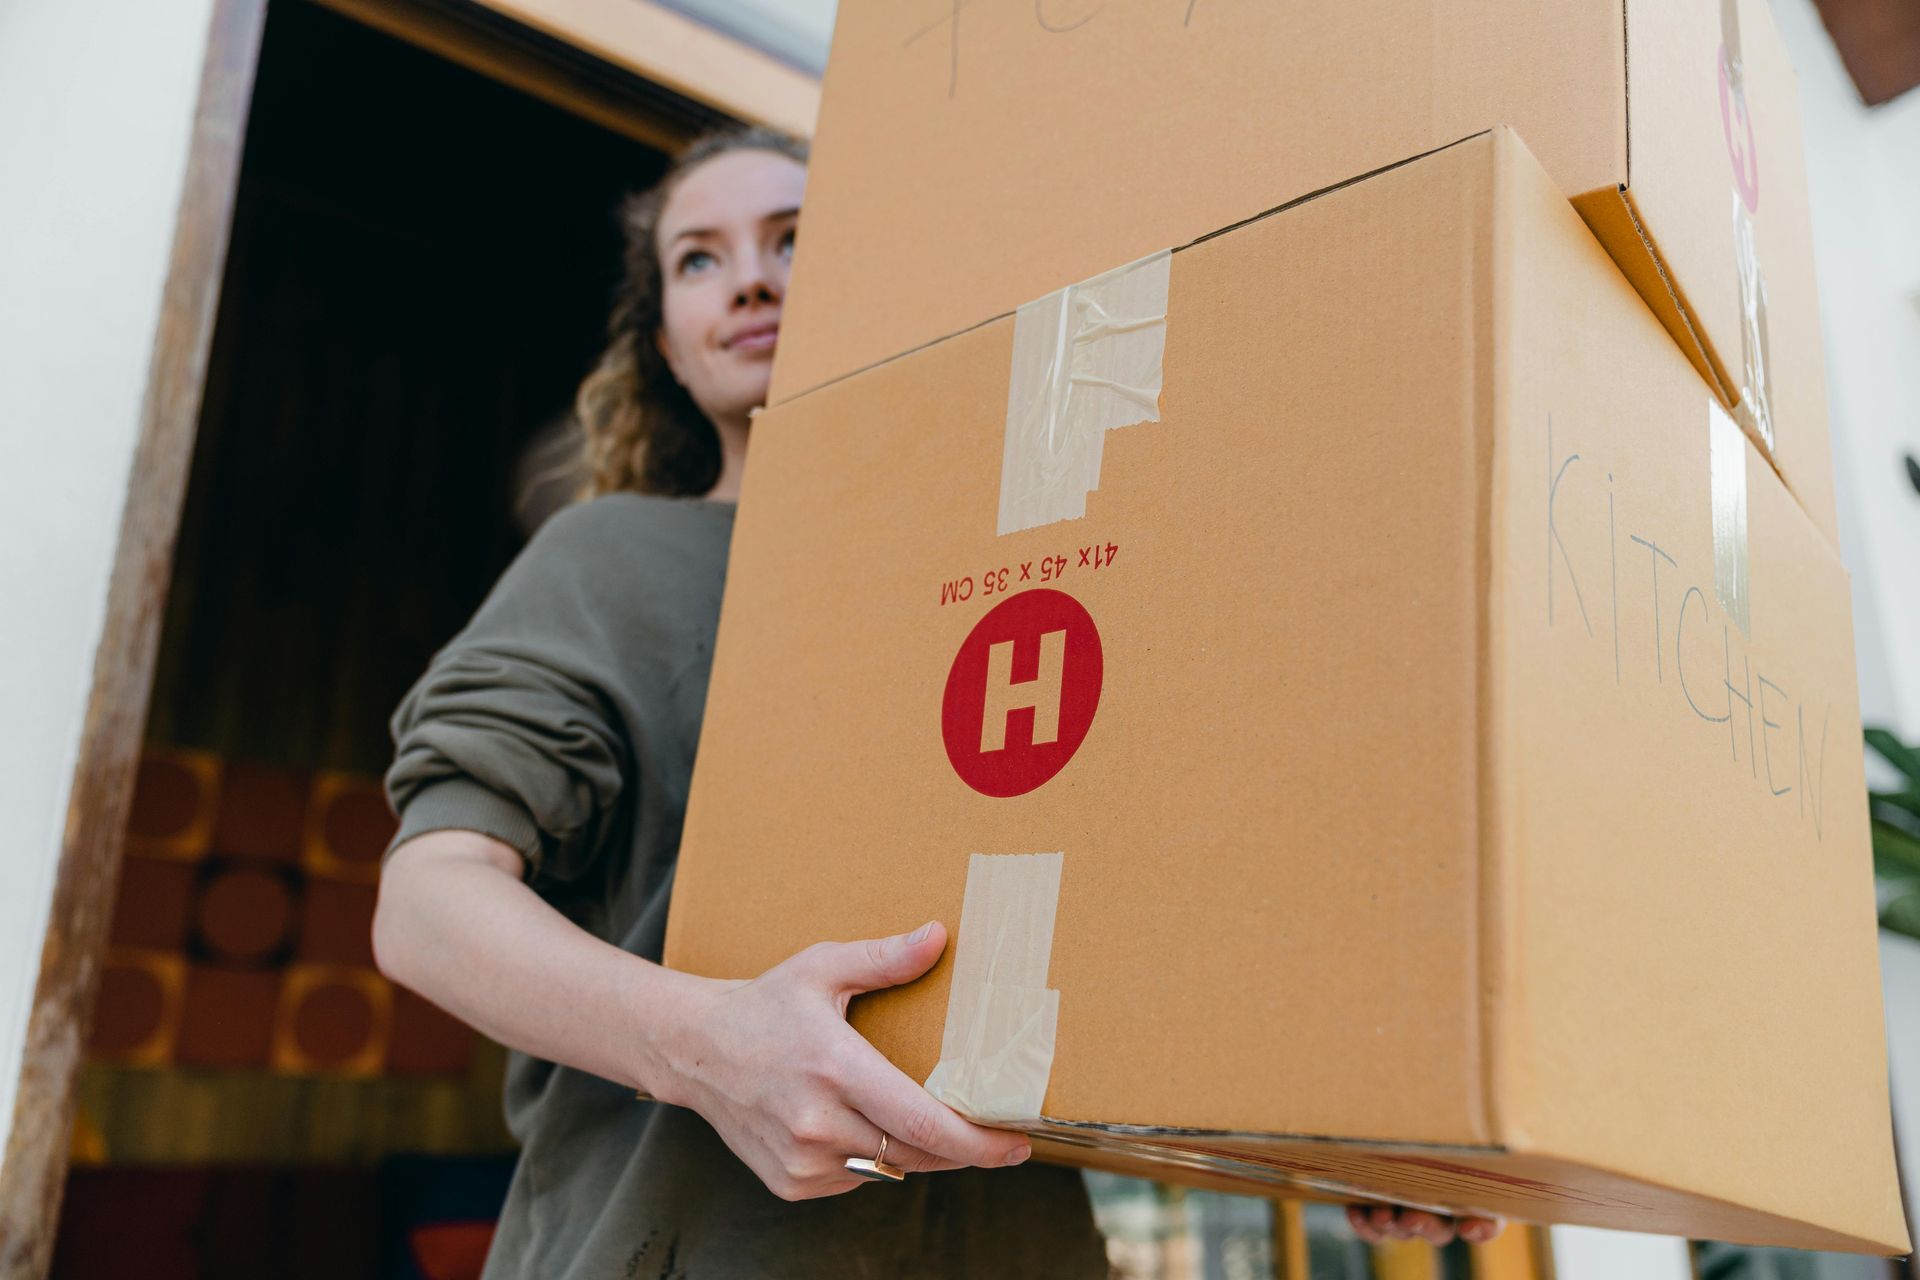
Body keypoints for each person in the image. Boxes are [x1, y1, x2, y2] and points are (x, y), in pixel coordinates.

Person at [372, 125, 1497, 1279]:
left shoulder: (1023, 555)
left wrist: (1350, 1122)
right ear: (664, 339)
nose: (751, 275)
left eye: (794, 237)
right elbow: (424, 904)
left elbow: (1143, 937)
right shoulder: (609, 556)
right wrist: (707, 1045)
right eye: (698, 258)